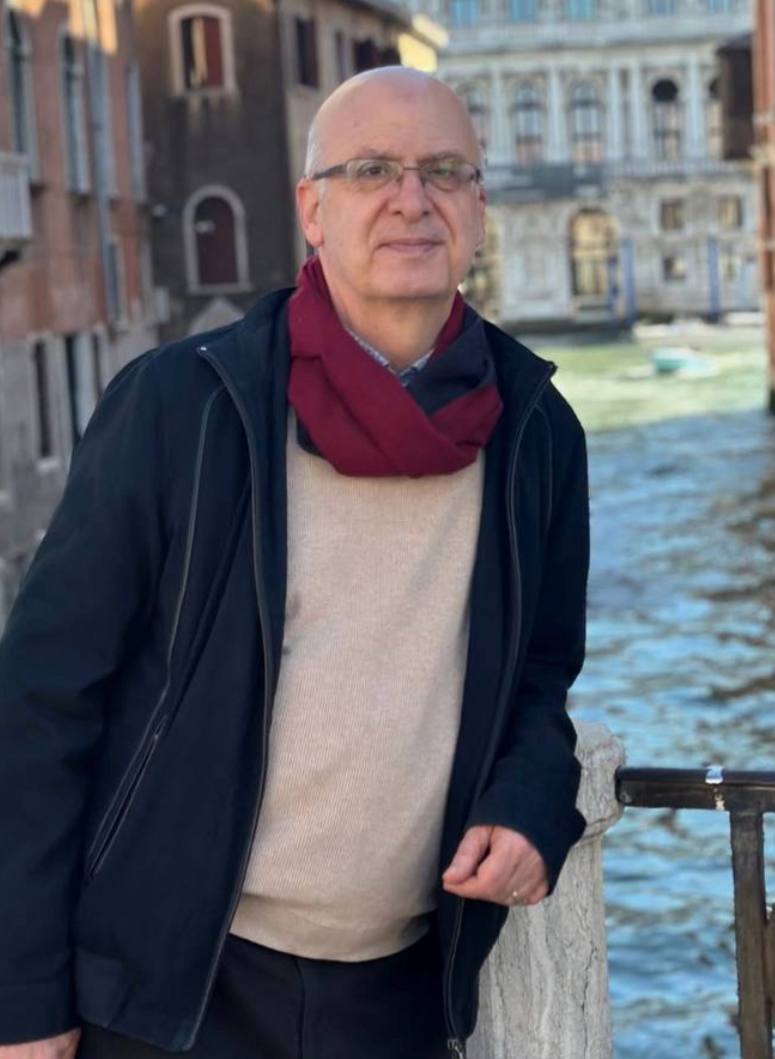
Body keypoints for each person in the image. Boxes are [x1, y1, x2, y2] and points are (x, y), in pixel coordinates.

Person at [0, 67, 589, 1059]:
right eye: (373, 171)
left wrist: (531, 803)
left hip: (398, 994)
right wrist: (22, 999)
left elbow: (540, 677)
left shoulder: (536, 430)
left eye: (444, 172)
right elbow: (40, 703)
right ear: (313, 210)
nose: (412, 199)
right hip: (168, 990)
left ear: (478, 208)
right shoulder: (180, 405)